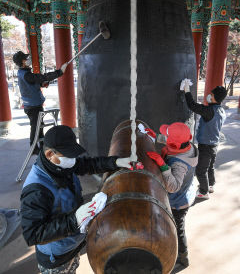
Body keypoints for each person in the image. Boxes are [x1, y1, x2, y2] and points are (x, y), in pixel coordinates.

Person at [20, 125, 132, 274]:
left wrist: (116, 162)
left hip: (73, 243)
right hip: (56, 258)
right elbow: (33, 234)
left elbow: (87, 164)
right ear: (49, 154)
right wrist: (75, 219)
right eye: (68, 155)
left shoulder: (59, 164)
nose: (73, 160)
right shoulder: (36, 189)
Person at [145, 122, 198, 269]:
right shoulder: (188, 145)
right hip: (184, 192)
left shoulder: (179, 164)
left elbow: (173, 187)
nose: (165, 138)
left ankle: (183, 257)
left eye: (166, 136)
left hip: (178, 202)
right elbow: (173, 143)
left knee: (178, 230)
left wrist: (163, 165)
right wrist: (156, 137)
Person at [13, 51, 68, 155]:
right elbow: (42, 77)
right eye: (26, 58)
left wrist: (42, 84)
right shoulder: (26, 74)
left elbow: (36, 82)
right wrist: (60, 72)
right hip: (33, 106)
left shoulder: (25, 73)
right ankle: (33, 148)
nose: (28, 59)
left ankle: (42, 145)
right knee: (35, 127)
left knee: (39, 125)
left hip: (34, 105)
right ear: (23, 61)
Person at [182, 80, 227, 199]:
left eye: (211, 95)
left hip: (206, 146)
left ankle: (203, 191)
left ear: (215, 98)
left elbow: (192, 105)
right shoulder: (221, 111)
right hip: (214, 145)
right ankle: (211, 185)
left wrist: (186, 90)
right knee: (210, 167)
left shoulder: (209, 111)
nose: (209, 96)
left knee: (201, 170)